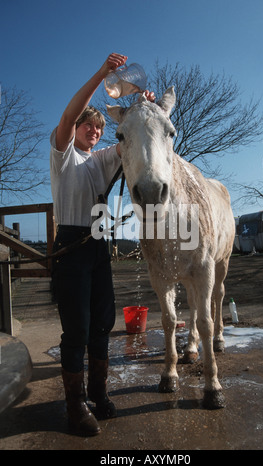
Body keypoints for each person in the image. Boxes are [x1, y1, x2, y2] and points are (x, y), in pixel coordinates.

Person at [50, 52, 155, 436]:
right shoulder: (64, 157)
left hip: (97, 247)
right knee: (76, 329)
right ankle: (75, 406)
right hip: (71, 246)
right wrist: (101, 74)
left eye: (96, 128)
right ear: (76, 130)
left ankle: (97, 393)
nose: (93, 131)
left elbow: (129, 135)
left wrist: (144, 107)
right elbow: (66, 117)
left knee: (101, 326)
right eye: (87, 127)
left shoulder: (103, 158)